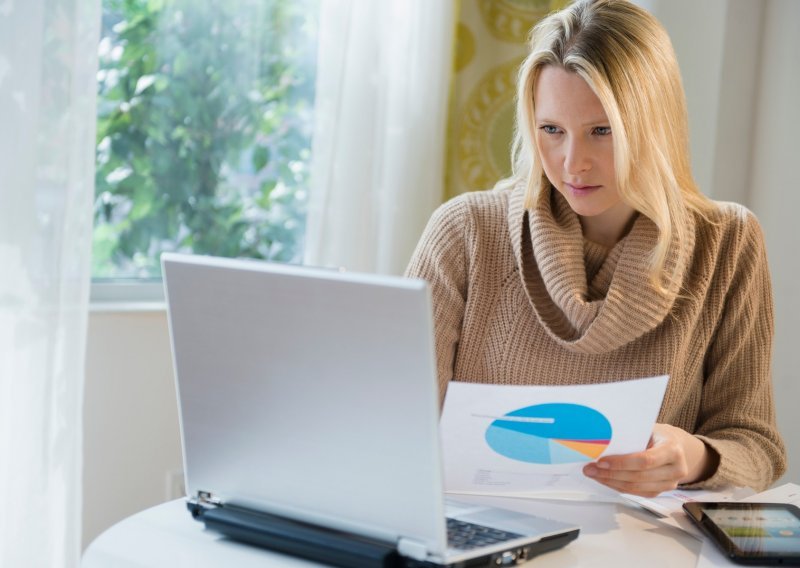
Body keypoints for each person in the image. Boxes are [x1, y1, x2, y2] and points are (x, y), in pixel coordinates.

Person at [405, 0, 786, 498]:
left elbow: (757, 447)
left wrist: (692, 456)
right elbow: (397, 422)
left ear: (655, 125)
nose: (572, 164)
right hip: (478, 529)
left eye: (602, 131)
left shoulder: (728, 241)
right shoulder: (466, 232)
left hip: (632, 541)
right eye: (551, 130)